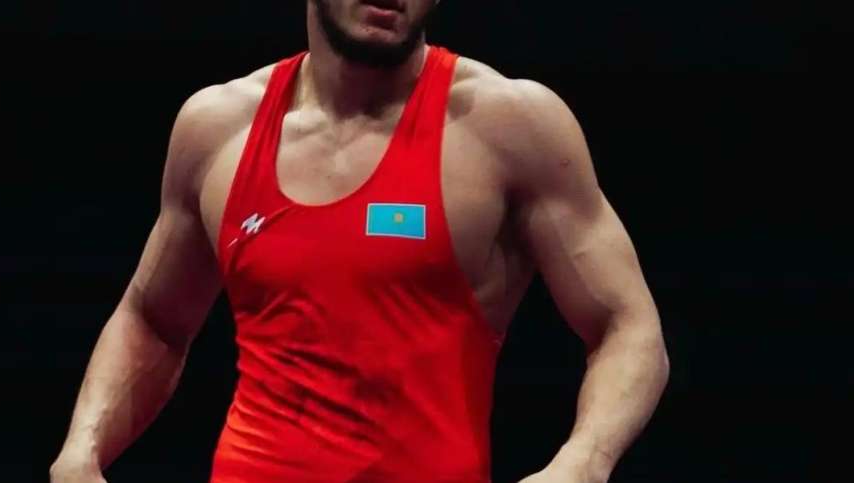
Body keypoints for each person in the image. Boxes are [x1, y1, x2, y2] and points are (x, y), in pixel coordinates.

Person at [50, 1, 670, 482]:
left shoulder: (510, 126)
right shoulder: (218, 128)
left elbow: (627, 324)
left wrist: (583, 461)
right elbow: (154, 320)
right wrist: (83, 449)